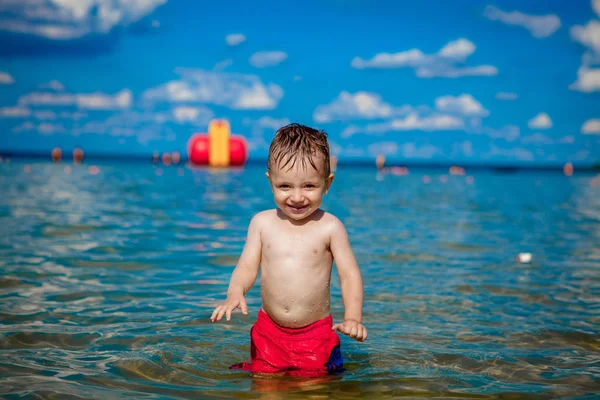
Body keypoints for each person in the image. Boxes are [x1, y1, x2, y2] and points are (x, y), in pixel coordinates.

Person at [210, 123, 367, 375]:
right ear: (270, 181)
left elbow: (349, 275)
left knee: (315, 388)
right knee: (265, 386)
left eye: (308, 186)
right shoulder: (261, 223)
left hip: (315, 334)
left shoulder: (330, 227)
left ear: (327, 184)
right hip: (269, 332)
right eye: (285, 186)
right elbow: (247, 266)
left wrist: (353, 318)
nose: (296, 197)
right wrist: (235, 292)